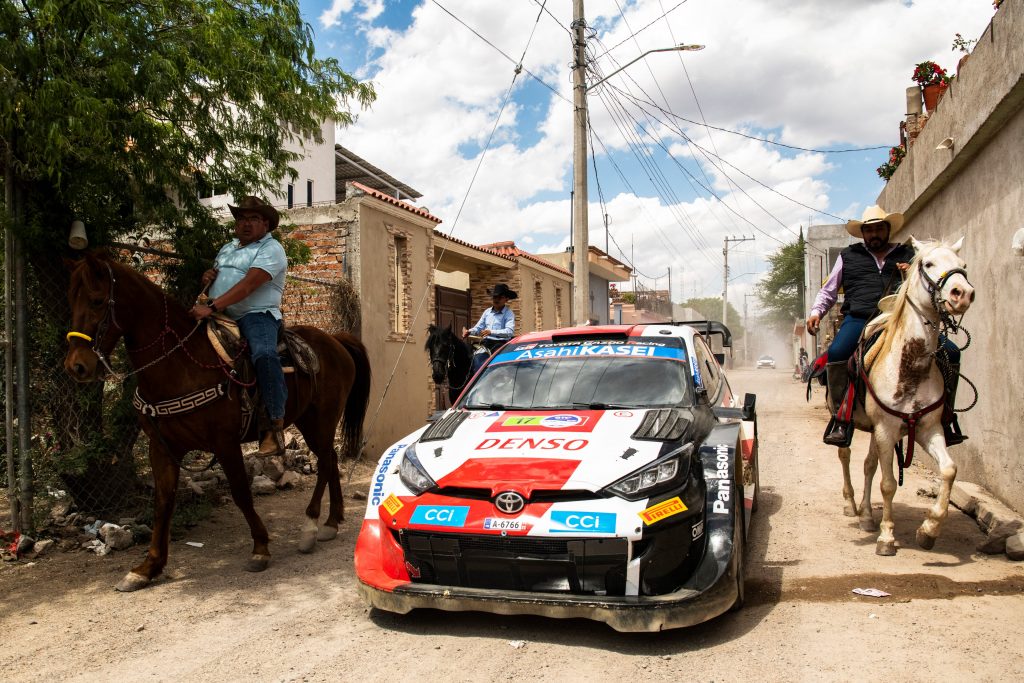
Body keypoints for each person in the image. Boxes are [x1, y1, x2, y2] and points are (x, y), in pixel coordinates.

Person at [806, 204, 963, 447]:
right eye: (870, 230)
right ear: (863, 233)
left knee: (951, 352)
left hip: (900, 318)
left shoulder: (908, 254)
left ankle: (946, 416)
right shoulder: (848, 256)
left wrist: (911, 272)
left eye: (879, 229)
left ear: (887, 230)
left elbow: (926, 286)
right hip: (859, 318)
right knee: (837, 353)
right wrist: (816, 312)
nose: (875, 234)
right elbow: (828, 291)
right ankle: (841, 418)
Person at [190, 196, 289, 456]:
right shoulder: (227, 248)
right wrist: (209, 279)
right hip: (221, 313)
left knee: (265, 355)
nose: (246, 224)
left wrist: (210, 307)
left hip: (256, 315)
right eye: (242, 218)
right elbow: (223, 282)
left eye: (253, 219)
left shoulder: (271, 249)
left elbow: (248, 286)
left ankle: (274, 429)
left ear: (265, 224)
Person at [463, 283, 517, 375]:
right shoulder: (487, 312)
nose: (496, 299)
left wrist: (491, 332)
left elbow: (509, 332)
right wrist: (469, 331)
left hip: (501, 345)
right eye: (495, 297)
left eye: (500, 297)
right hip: (486, 344)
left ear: (506, 299)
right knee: (470, 359)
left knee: (497, 366)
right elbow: (478, 327)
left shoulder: (509, 313)